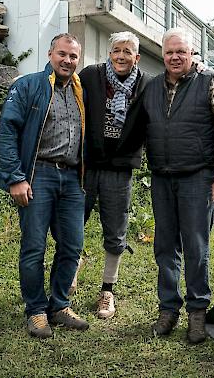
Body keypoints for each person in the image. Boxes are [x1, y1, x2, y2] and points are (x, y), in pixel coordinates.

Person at [141, 27, 214, 344]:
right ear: (162, 53)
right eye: (170, 52)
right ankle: (168, 309)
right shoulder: (153, 86)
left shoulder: (210, 81)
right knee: (164, 246)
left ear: (192, 54)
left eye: (181, 51)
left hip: (198, 177)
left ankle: (197, 312)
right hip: (162, 176)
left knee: (196, 248)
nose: (174, 57)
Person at [0, 33, 89, 339]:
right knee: (34, 247)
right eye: (62, 54)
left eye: (73, 56)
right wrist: (15, 177)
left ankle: (59, 305)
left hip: (73, 179)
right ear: (50, 54)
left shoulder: (79, 90)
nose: (67, 60)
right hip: (38, 176)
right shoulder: (28, 85)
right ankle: (36, 310)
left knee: (72, 246)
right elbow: (7, 132)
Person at [69, 31, 151, 320]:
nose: (120, 56)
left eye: (127, 51)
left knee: (116, 231)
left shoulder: (146, 84)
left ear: (136, 57)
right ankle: (71, 269)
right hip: (87, 164)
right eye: (116, 50)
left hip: (120, 169)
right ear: (109, 53)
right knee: (73, 221)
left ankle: (107, 290)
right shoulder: (91, 75)